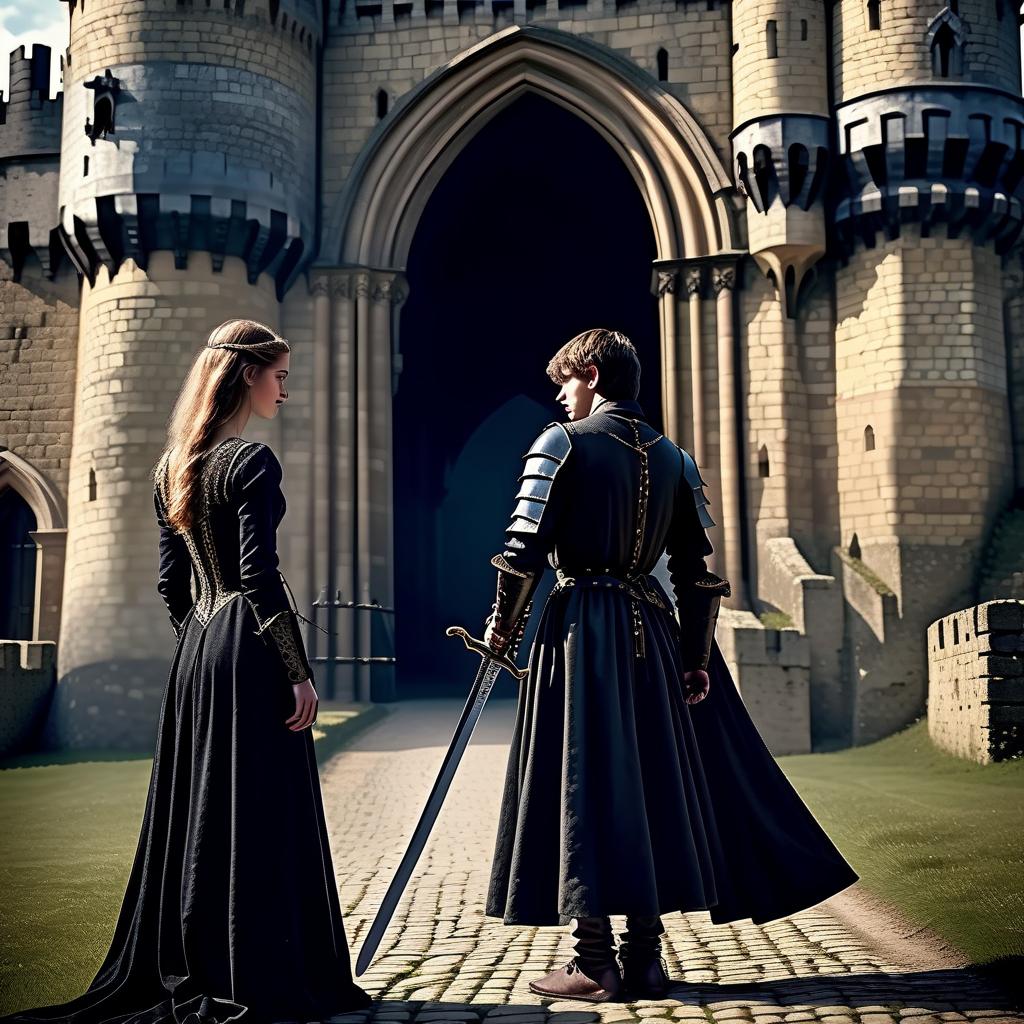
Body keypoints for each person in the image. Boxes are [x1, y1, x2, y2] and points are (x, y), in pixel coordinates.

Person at [0, 319, 371, 1024]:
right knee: (256, 809)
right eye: (278, 376)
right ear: (245, 377)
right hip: (247, 646)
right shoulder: (251, 462)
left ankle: (202, 961)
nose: (284, 390)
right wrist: (297, 671)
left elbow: (175, 586)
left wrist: (204, 647)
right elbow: (260, 577)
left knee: (203, 808)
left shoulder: (170, 468)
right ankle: (259, 971)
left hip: (198, 651)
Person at [481, 329, 859, 1003]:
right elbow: (697, 576)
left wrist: (501, 629)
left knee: (588, 782)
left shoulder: (560, 444)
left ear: (591, 373)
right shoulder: (675, 459)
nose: (561, 396)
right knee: (646, 783)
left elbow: (522, 552)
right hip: (652, 638)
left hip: (584, 631)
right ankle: (646, 961)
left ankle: (595, 963)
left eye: (564, 382)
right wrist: (693, 659)